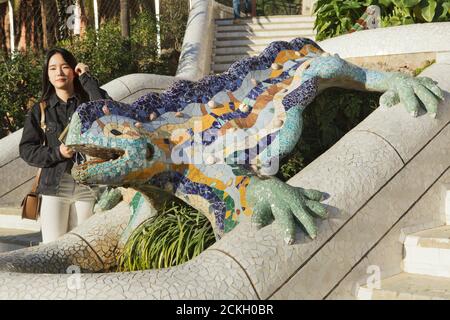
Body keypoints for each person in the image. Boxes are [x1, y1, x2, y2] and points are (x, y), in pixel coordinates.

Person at [19, 48, 111, 244]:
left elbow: (108, 111)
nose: (59, 73)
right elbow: (26, 149)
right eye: (52, 68)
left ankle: (81, 277)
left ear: (73, 70)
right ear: (47, 74)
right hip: (54, 186)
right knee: (53, 247)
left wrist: (86, 77)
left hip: (88, 184)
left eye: (64, 67)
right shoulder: (41, 110)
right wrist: (58, 152)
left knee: (85, 246)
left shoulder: (87, 102)